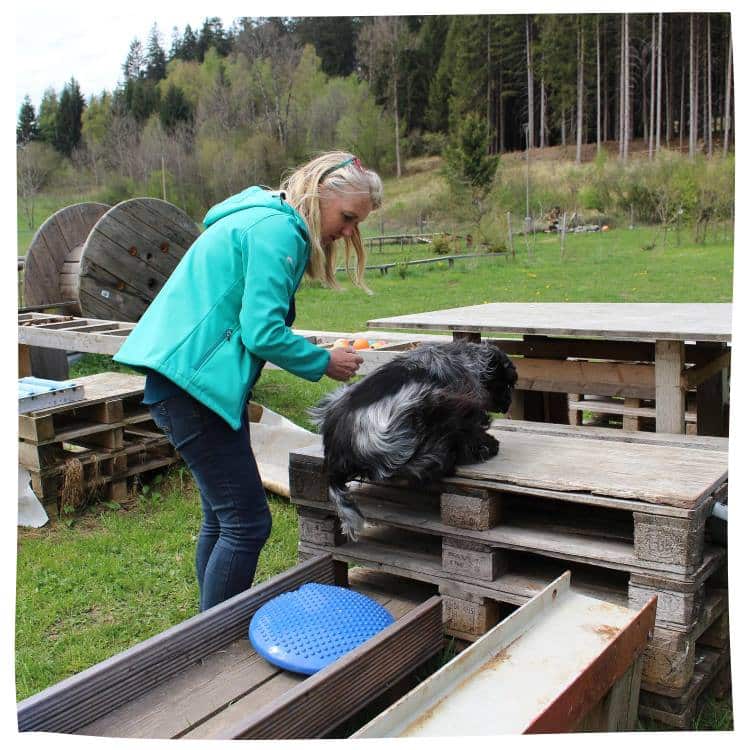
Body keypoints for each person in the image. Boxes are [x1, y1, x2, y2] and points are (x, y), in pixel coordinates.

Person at [114, 151, 383, 611]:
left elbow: (248, 320)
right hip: (193, 388)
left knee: (223, 519)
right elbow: (262, 333)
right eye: (348, 217)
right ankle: (214, 644)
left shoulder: (260, 216)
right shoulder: (280, 231)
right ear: (320, 193)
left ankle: (207, 624)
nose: (348, 231)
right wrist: (323, 361)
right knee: (247, 523)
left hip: (188, 384)